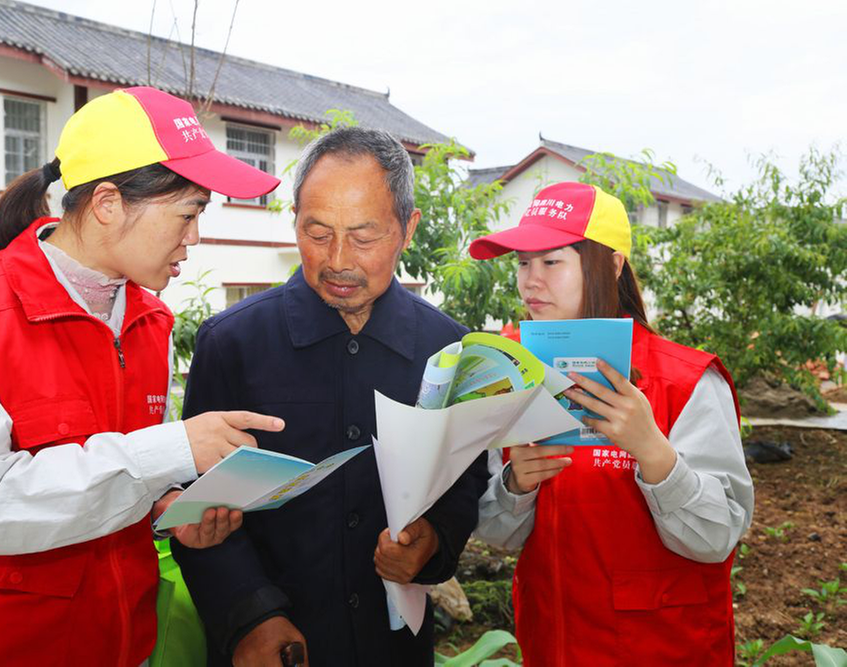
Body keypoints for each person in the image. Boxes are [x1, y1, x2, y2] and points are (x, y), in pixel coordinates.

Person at [0, 87, 285, 667]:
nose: (194, 238)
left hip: (116, 644)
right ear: (107, 203)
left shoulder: (148, 320)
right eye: (189, 213)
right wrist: (170, 449)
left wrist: (167, 509)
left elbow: (107, 472)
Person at [172, 127, 490, 666]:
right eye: (316, 232)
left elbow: (465, 480)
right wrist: (249, 615)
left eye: (364, 237)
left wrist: (431, 543)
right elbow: (197, 504)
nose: (338, 260)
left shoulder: (449, 349)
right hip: (271, 647)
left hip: (393, 647)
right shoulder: (232, 343)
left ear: (407, 229)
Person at [471, 181, 754, 666]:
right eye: (522, 262)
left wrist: (653, 452)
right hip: (553, 645)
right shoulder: (513, 373)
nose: (529, 281)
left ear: (612, 263)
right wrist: (516, 484)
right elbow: (497, 534)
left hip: (665, 650)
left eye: (551, 261)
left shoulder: (685, 381)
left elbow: (717, 538)